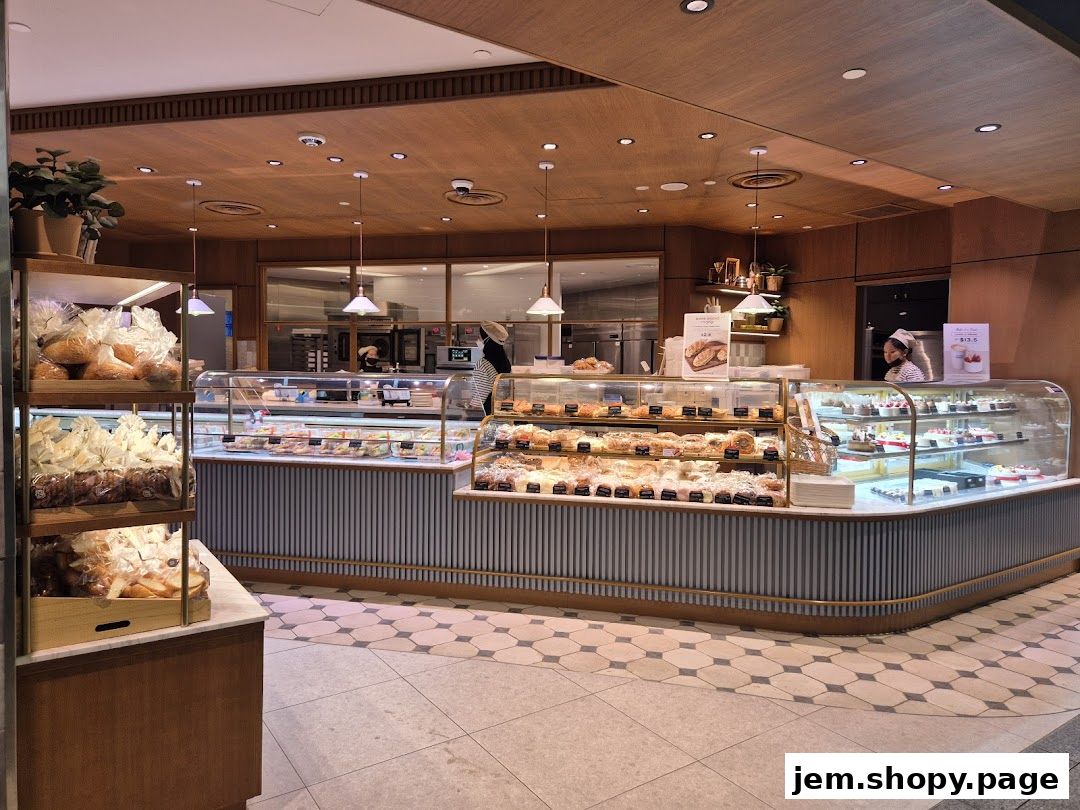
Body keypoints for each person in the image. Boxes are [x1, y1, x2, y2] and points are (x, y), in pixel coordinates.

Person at [470, 321, 511, 414]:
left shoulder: (483, 364)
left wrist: (465, 413)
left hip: (488, 415)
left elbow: (479, 398)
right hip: (501, 411)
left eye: (480, 336)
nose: (478, 339)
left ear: (487, 339)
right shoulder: (505, 362)